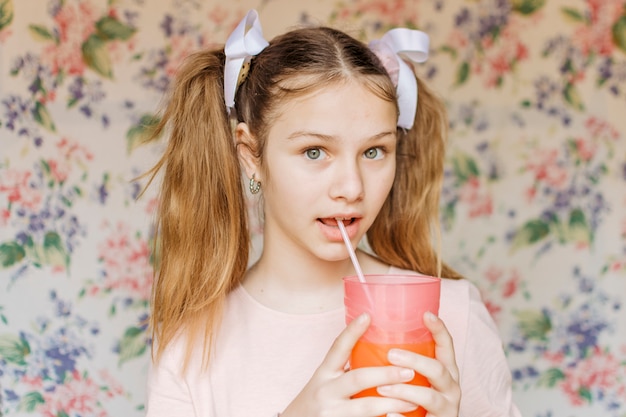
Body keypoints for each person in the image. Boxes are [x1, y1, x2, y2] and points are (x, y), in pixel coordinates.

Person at [143, 9, 521, 417]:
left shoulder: (452, 316)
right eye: (314, 152)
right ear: (251, 155)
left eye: (374, 151)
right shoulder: (191, 346)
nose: (352, 188)